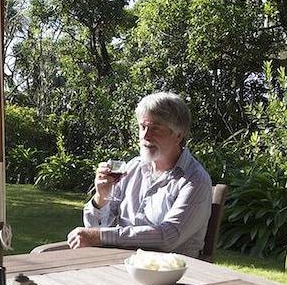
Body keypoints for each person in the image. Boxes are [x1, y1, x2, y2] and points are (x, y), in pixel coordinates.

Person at [66, 92, 212, 257]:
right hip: (119, 262)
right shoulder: (133, 168)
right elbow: (96, 228)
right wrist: (101, 198)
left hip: (171, 272)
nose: (145, 136)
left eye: (155, 128)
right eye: (142, 127)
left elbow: (168, 237)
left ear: (178, 135)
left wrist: (100, 236)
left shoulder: (194, 180)